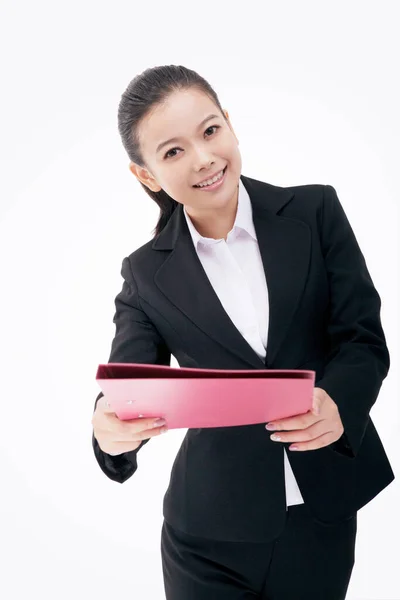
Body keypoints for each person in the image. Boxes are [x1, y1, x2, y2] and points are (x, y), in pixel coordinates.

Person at [91, 64, 395, 599]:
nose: (204, 158)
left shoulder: (314, 210)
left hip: (321, 511)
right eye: (173, 151)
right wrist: (107, 425)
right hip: (206, 531)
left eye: (210, 131)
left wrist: (338, 403)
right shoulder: (144, 273)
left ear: (229, 124)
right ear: (146, 175)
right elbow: (131, 382)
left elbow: (362, 340)